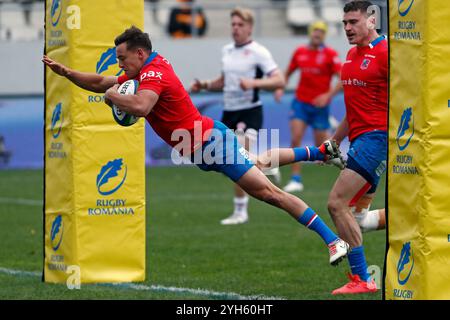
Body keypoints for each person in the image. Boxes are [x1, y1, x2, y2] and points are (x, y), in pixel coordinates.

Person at [42, 26, 350, 271]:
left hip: (210, 143)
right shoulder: (144, 69)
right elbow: (101, 81)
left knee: (270, 194)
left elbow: (139, 105)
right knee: (258, 161)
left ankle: (334, 240)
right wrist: (68, 74)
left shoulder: (154, 74)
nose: (119, 65)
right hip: (202, 144)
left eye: (122, 58)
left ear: (139, 53)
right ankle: (321, 152)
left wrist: (113, 96)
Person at [190, 7, 284, 225]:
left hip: (249, 111)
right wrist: (204, 85)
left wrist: (254, 83)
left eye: (240, 25)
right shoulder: (227, 51)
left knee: (236, 159)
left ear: (250, 27)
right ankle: (266, 165)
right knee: (225, 161)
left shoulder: (259, 52)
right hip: (229, 112)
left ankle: (241, 211)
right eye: (233, 24)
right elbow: (223, 82)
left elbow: (278, 81)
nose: (236, 28)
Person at [326, 0, 387, 294]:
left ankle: (362, 279)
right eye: (345, 23)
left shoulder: (387, 53)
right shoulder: (350, 56)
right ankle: (416, 216)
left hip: (377, 140)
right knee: (356, 217)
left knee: (337, 203)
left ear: (371, 20)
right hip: (360, 141)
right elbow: (353, 110)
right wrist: (335, 140)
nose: (348, 28)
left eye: (354, 22)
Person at [275, 21, 343, 193]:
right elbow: (288, 72)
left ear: (324, 35)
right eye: (315, 31)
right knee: (296, 138)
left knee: (323, 151)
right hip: (300, 103)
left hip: (320, 107)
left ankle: (343, 169)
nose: (317, 34)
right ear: (310, 33)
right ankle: (295, 179)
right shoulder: (300, 52)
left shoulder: (330, 54)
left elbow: (342, 78)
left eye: (321, 31)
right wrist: (280, 88)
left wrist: (327, 96)